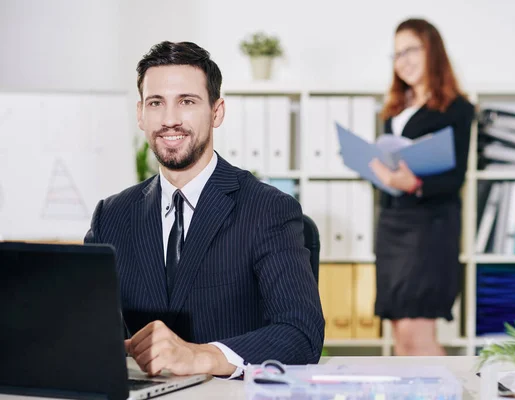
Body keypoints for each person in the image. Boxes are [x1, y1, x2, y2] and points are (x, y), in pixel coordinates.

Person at [84, 41, 325, 378]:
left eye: (186, 101)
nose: (169, 119)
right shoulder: (111, 217)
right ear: (140, 114)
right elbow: (84, 332)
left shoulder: (268, 209)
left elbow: (301, 334)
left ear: (216, 111)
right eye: (156, 103)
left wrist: (203, 357)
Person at [369, 18, 475, 356]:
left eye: (410, 50)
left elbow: (454, 178)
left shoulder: (457, 108)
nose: (403, 60)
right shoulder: (395, 110)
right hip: (392, 227)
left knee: (418, 336)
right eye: (397, 54)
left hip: (429, 229)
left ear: (432, 49)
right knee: (401, 337)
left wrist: (413, 182)